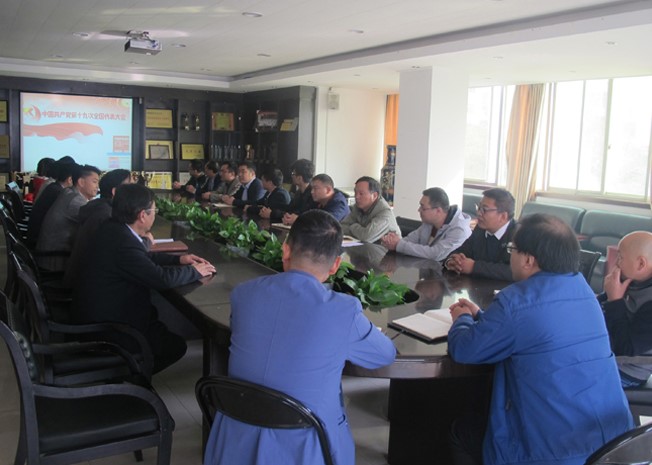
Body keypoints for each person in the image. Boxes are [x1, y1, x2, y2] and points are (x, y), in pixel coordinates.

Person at [204, 210, 396, 465]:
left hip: (233, 439)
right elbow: (385, 355)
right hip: (306, 446)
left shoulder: (244, 294)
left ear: (285, 250)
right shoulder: (343, 310)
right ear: (336, 265)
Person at [447, 213, 633, 465]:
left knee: (461, 430)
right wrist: (482, 317)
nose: (510, 256)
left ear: (528, 260)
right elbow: (540, 333)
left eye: (512, 249)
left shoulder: (516, 300)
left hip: (551, 451)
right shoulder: (584, 291)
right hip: (613, 444)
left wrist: (462, 319)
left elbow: (464, 350)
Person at [72, 183, 216, 373]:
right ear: (142, 215)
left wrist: (179, 259)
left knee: (159, 326)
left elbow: (141, 258)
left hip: (99, 312)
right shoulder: (123, 242)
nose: (155, 215)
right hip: (110, 327)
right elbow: (161, 279)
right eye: (154, 211)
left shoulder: (114, 228)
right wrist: (195, 271)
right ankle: (132, 377)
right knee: (175, 346)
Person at [599, 230, 652, 387]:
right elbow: (597, 309)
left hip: (625, 371)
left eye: (620, 257)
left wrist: (615, 301)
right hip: (601, 354)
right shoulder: (632, 280)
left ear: (641, 264)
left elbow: (626, 347)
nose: (616, 263)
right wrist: (608, 294)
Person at [63, 169, 132, 287]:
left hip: (82, 278)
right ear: (115, 192)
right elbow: (126, 253)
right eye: (130, 187)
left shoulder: (99, 207)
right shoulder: (107, 215)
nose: (134, 191)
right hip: (88, 285)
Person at [36, 164, 101, 270]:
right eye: (94, 182)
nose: (97, 186)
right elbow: (97, 224)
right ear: (81, 182)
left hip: (48, 255)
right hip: (54, 260)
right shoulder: (76, 201)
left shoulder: (68, 192)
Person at [444, 188, 516, 281]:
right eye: (479, 208)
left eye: (484, 209)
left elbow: (513, 271)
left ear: (503, 216)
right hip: (476, 286)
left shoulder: (519, 235)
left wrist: (474, 267)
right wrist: (453, 261)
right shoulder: (480, 229)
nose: (478, 213)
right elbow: (461, 250)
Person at [381, 187, 471, 261]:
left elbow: (435, 254)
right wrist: (392, 241)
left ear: (438, 211)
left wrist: (398, 244)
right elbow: (410, 240)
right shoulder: (429, 222)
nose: (419, 210)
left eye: (423, 208)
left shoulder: (460, 230)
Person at [27, 157, 77, 247]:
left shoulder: (53, 187)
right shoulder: (58, 192)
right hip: (40, 241)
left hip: (37, 235)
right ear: (70, 179)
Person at [340, 176, 400, 243]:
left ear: (374, 195)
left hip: (384, 249)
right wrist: (361, 231)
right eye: (355, 192)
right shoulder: (358, 207)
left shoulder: (385, 213)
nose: (356, 197)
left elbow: (366, 237)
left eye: (361, 194)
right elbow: (341, 227)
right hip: (364, 247)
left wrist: (353, 226)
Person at [282, 158, 315, 226]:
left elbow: (308, 215)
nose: (292, 176)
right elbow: (289, 210)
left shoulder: (313, 194)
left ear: (300, 178)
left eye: (293, 173)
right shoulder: (298, 193)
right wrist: (287, 216)